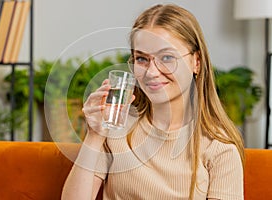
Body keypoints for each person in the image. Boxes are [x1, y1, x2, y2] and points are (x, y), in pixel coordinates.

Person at [61, 3, 244, 200]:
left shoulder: (219, 147)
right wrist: (95, 136)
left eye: (166, 57)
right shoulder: (117, 128)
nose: (151, 72)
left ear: (196, 62)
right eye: (141, 59)